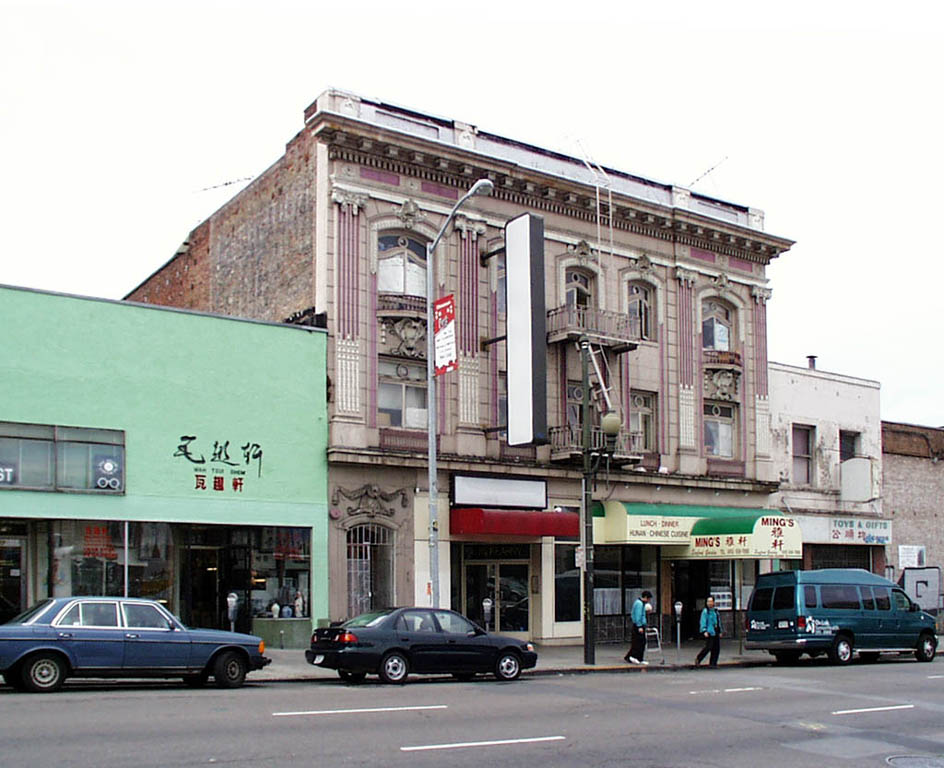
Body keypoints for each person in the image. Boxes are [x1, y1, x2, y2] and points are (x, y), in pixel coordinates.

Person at [625, 590, 652, 665]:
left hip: (640, 625)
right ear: (646, 597)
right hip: (638, 626)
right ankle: (634, 657)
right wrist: (639, 626)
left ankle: (637, 657)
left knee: (640, 642)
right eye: (649, 599)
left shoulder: (641, 603)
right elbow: (638, 616)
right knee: (639, 642)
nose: (649, 601)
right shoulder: (639, 604)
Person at [695, 595, 723, 667]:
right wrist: (704, 630)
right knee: (708, 647)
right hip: (709, 631)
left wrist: (720, 631)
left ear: (713, 602)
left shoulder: (715, 611)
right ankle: (699, 658)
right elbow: (703, 621)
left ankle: (713, 663)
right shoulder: (705, 611)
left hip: (715, 631)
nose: (709, 603)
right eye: (708, 601)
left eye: (711, 601)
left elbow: (718, 621)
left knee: (716, 648)